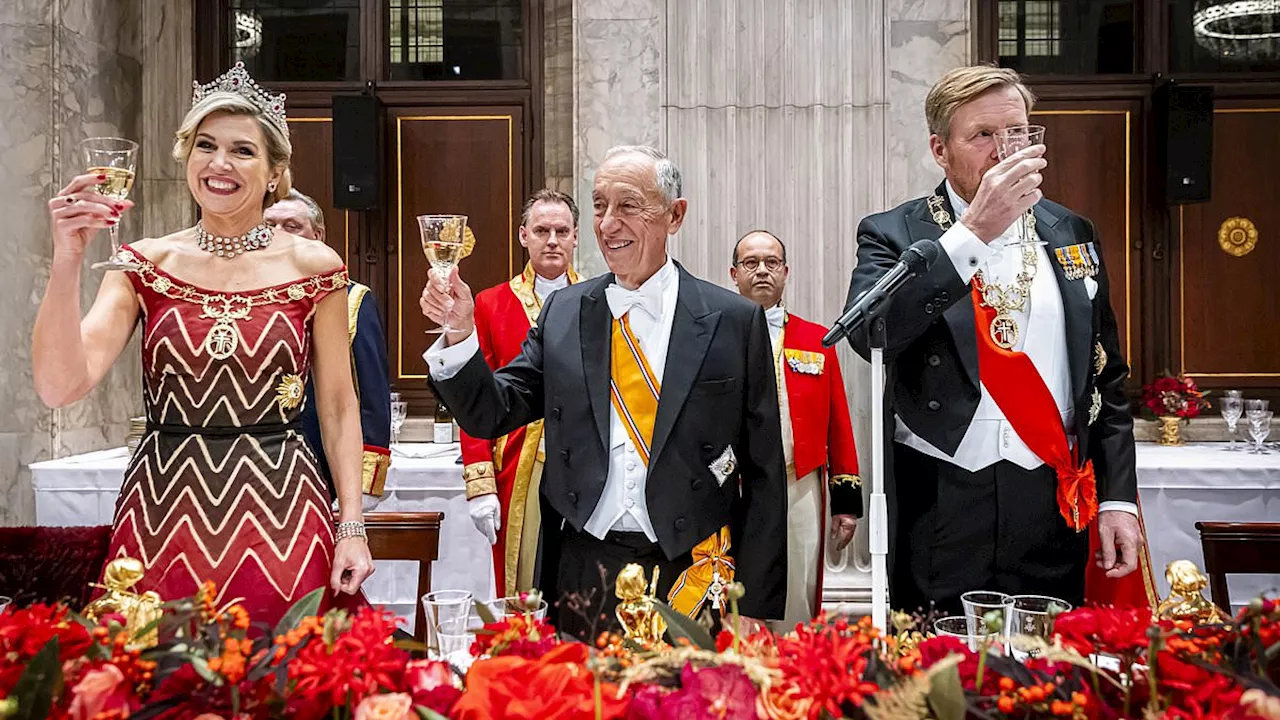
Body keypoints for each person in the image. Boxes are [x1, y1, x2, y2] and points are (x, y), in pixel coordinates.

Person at [32, 63, 374, 625]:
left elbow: (338, 405)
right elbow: (59, 385)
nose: (219, 163)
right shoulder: (144, 263)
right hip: (164, 510)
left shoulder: (314, 267)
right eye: (205, 145)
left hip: (284, 511)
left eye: (242, 150)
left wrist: (352, 527)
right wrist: (67, 259)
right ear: (186, 156)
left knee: (292, 685)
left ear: (274, 173)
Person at [419, 145, 788, 639]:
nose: (608, 223)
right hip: (583, 566)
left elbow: (764, 470)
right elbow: (493, 411)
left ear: (675, 215)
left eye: (628, 205)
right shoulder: (565, 313)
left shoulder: (734, 320)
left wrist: (758, 602)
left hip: (693, 568)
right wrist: (461, 337)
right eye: (598, 205)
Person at [842, 65, 1145, 615]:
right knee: (939, 676)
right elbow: (869, 334)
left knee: (1047, 676)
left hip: (1052, 493)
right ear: (940, 150)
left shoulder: (1071, 231)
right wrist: (971, 236)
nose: (1005, 150)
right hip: (939, 496)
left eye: (1019, 133)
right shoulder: (895, 232)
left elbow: (1107, 377)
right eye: (983, 136)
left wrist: (1119, 499)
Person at [730, 230, 862, 626]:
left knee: (799, 590)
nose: (762, 271)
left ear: (786, 272)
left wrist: (847, 505)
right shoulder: (713, 336)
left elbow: (838, 421)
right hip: (733, 488)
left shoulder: (816, 338)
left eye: (771, 263)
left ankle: (794, 668)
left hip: (798, 482)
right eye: (751, 263)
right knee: (733, 590)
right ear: (733, 274)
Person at [459, 189, 583, 598]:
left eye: (561, 231)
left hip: (587, 463)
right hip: (518, 465)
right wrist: (480, 482)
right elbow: (476, 398)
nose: (552, 240)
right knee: (524, 583)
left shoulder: (601, 298)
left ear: (576, 237)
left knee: (581, 575)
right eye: (542, 230)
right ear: (523, 235)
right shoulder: (491, 303)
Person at [265, 189, 392, 499]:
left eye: (292, 226)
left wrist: (365, 484)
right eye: (269, 226)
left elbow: (372, 395)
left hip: (321, 471)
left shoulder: (350, 300)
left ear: (318, 235)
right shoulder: (244, 298)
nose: (278, 235)